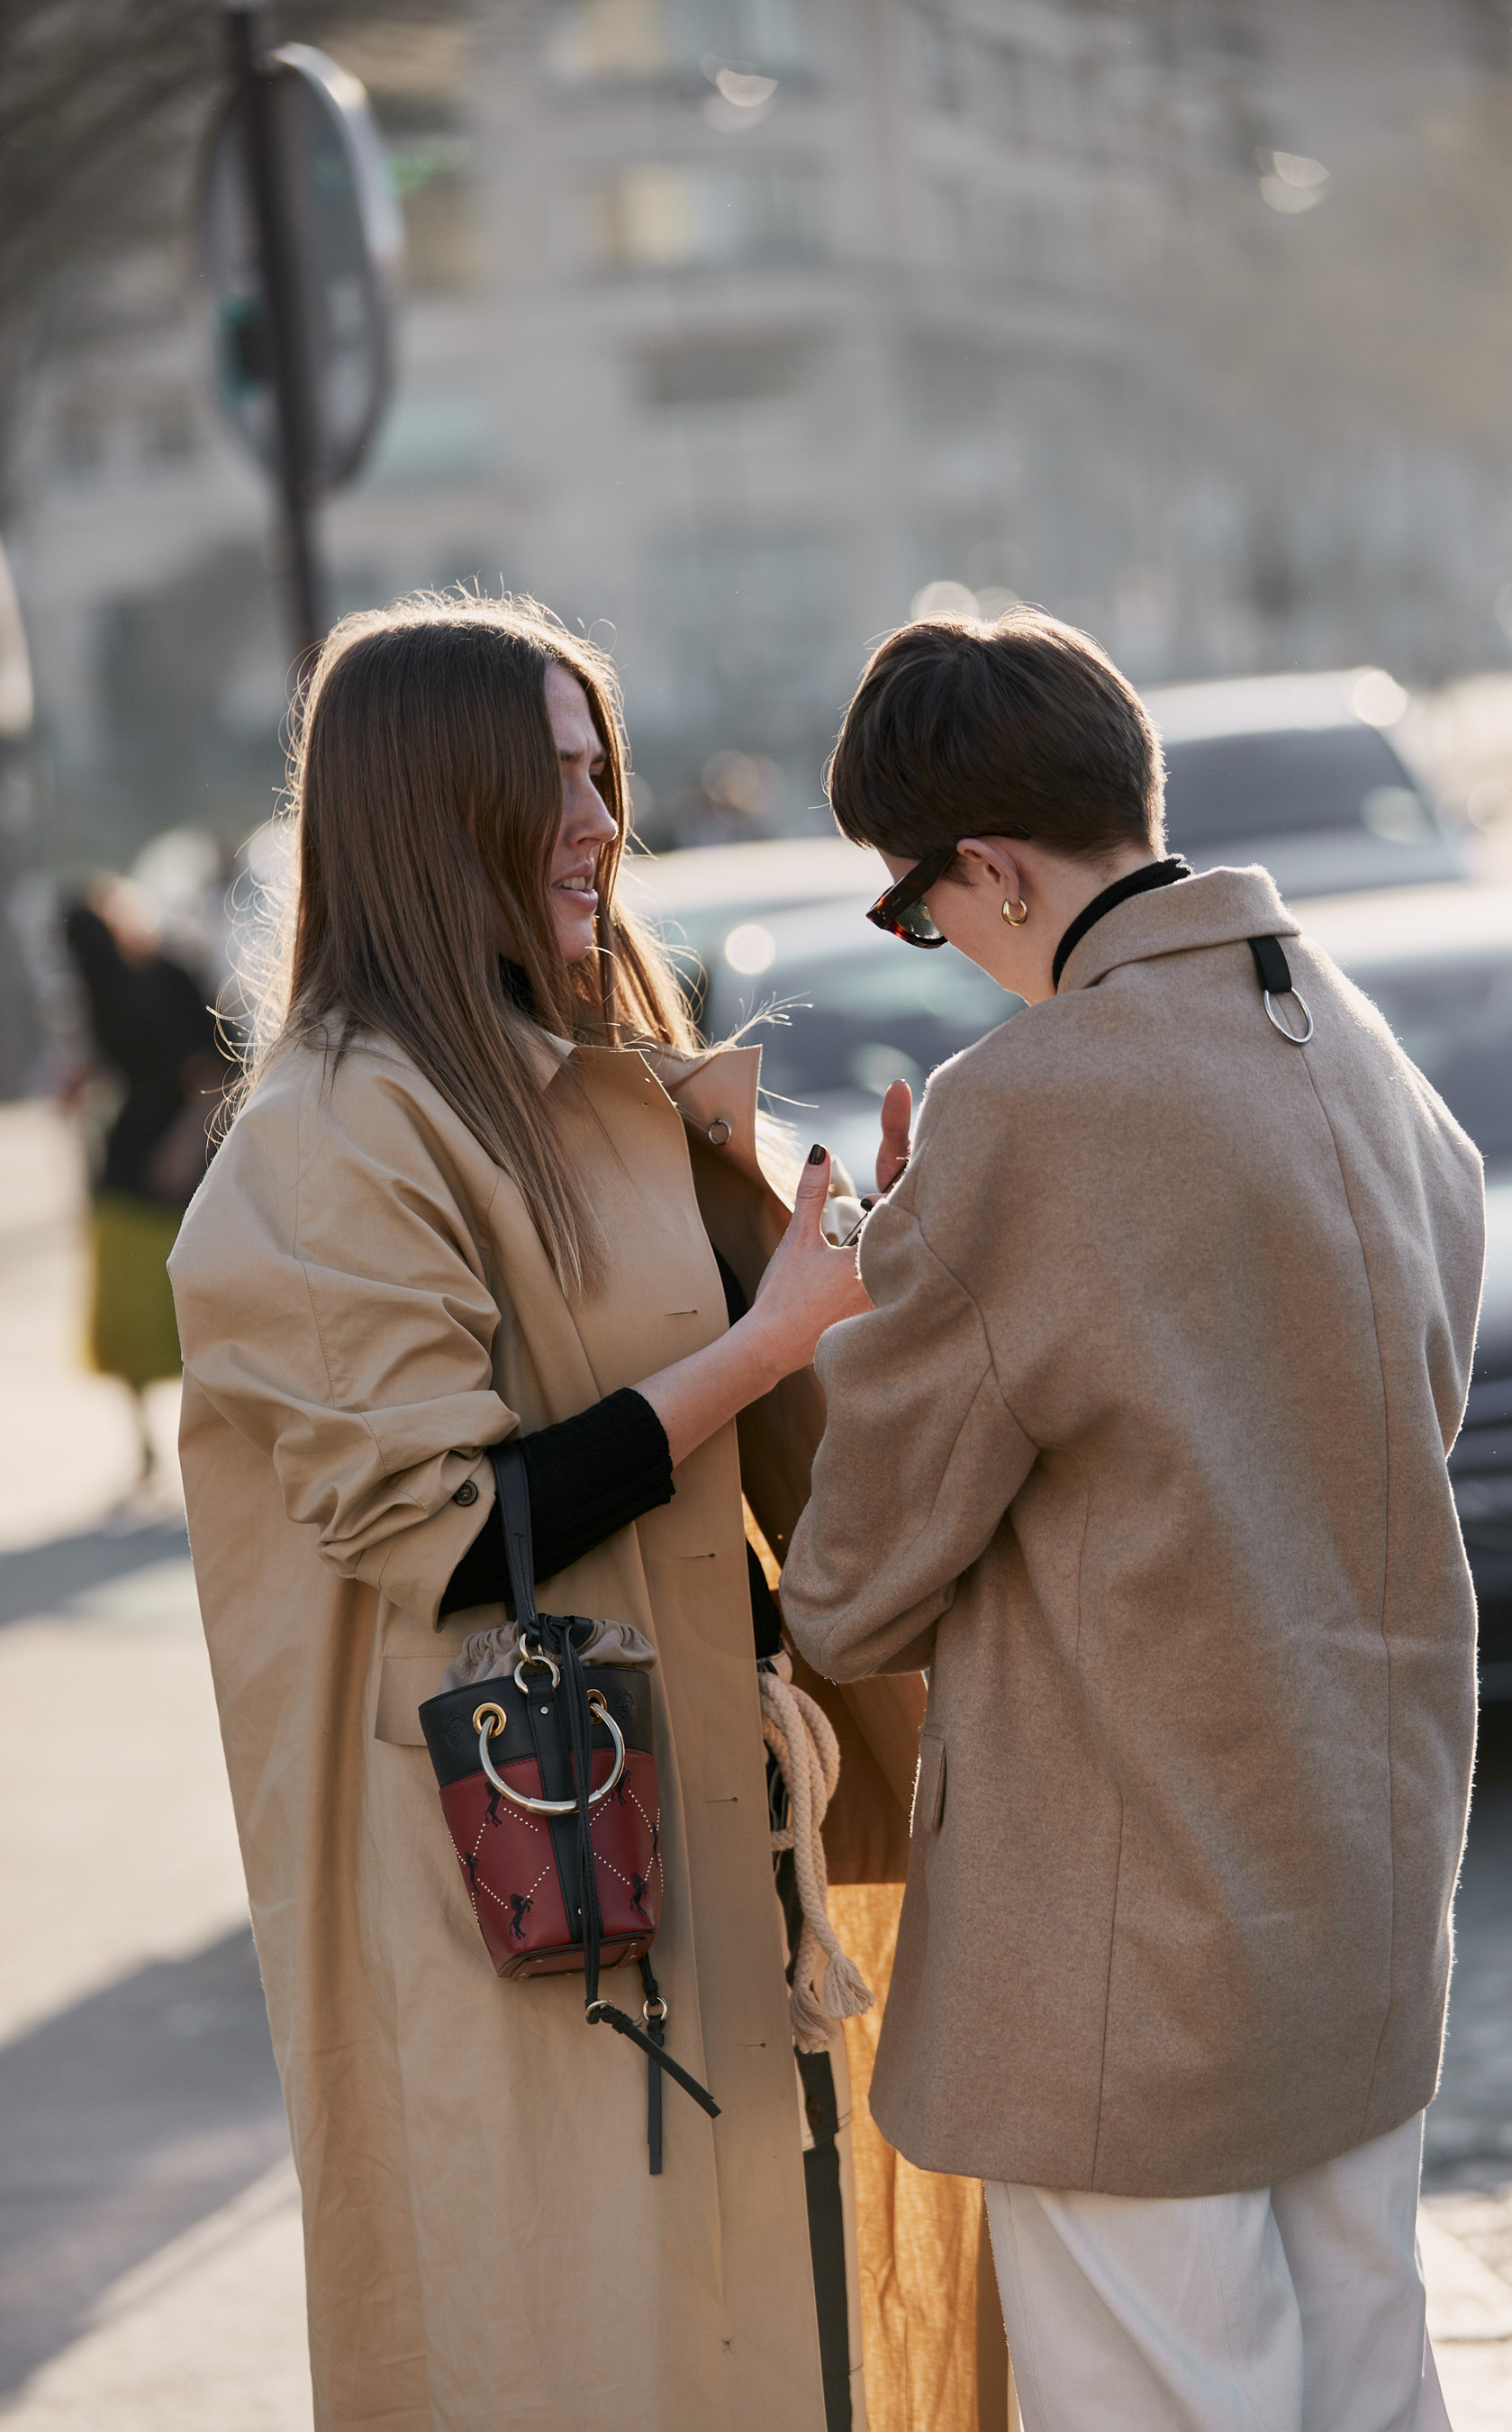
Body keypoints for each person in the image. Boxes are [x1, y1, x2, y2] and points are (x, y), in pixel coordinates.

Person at [167, 594, 884, 2432]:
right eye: (552, 780)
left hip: (703, 1871)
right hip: (521, 1912)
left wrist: (846, 1280)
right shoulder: (335, 1135)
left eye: (600, 771)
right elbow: (452, 1533)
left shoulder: (571, 1084)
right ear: (434, 809)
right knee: (578, 2365)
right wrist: (764, 1341)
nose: (600, 823)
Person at [780, 609, 1481, 2432]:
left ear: (992, 868)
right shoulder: (1358, 1044)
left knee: (1169, 2403)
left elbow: (852, 1587)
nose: (938, 941)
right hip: (1361, 1887)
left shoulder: (1027, 1110)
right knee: (1372, 2374)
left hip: (1125, 1926)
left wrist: (882, 1280)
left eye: (918, 906)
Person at [60, 879, 228, 1476]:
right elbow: (121, 1057)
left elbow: (217, 1068)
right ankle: (145, 1443)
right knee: (122, 1307)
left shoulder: (169, 976)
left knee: (189, 1308)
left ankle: (213, 1440)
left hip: (184, 1156)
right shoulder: (100, 985)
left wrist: (185, 1145)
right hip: (127, 1156)